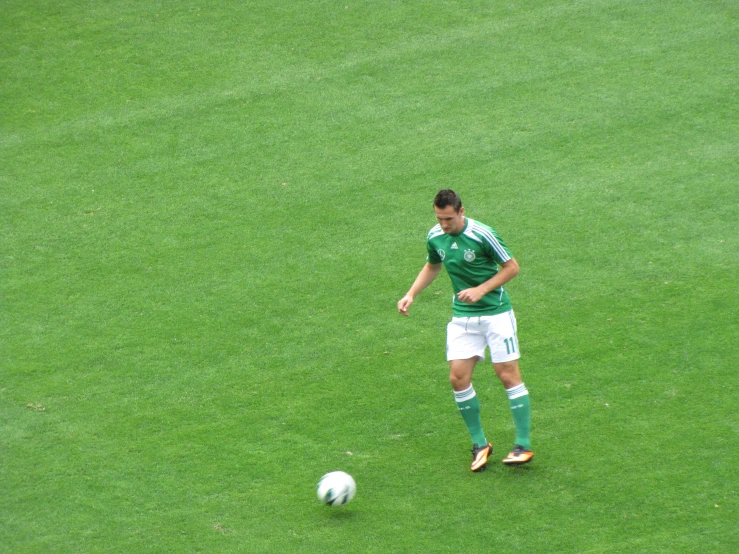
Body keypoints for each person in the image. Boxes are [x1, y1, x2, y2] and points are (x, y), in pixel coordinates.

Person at [397, 189, 533, 471]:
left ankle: (522, 445)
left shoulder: (483, 234)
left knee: (507, 375)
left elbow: (512, 267)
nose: (444, 224)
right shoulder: (435, 235)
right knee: (458, 378)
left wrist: (481, 290)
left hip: (496, 314)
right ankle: (480, 444)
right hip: (463, 318)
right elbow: (433, 265)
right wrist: (411, 294)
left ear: (461, 212)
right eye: (439, 218)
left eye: (448, 218)